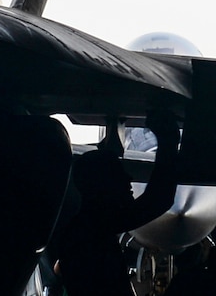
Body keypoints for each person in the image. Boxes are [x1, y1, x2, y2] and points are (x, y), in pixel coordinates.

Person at [55, 110, 181, 296]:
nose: (128, 178)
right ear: (102, 185)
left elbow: (158, 200)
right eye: (117, 175)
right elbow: (158, 200)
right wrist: (168, 142)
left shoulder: (84, 229)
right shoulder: (94, 228)